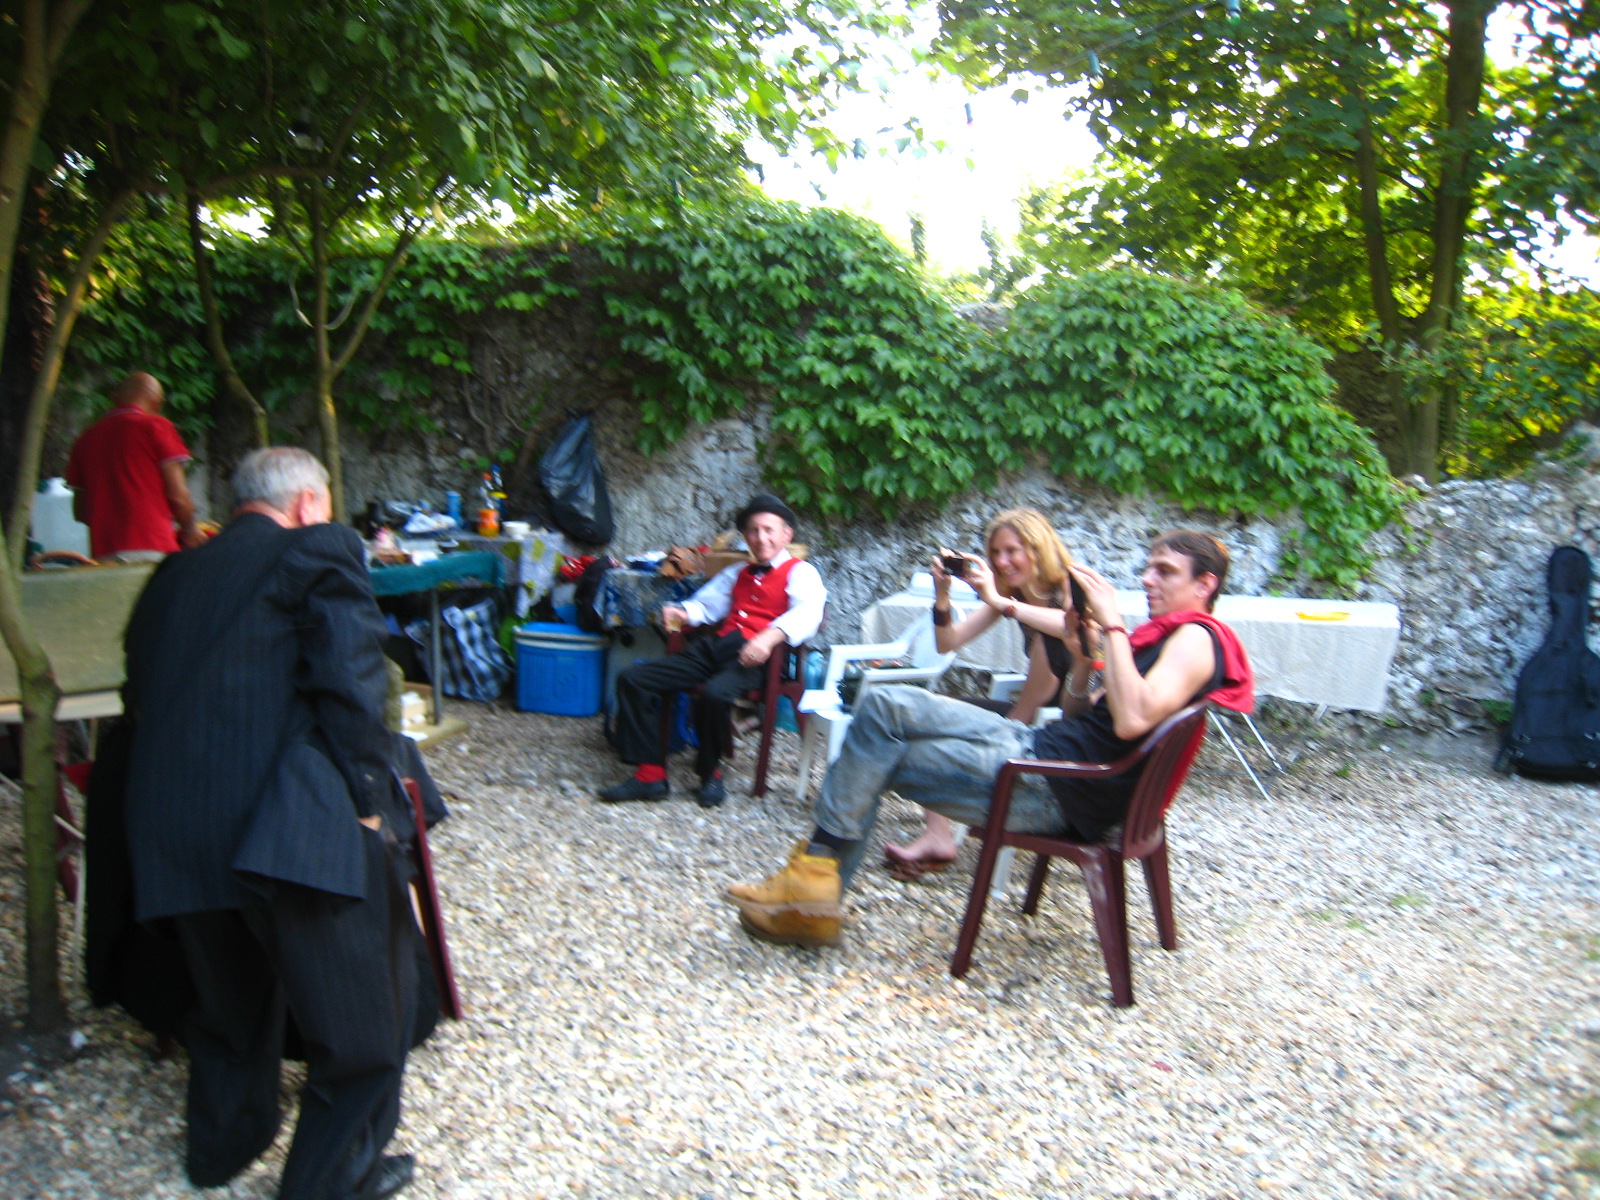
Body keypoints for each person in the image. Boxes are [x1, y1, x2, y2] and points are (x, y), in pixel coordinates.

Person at [120, 447, 432, 1200]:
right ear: (306, 504)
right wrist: (368, 802)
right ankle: (332, 1180)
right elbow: (352, 684)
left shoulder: (172, 573)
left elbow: (142, 691)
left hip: (168, 825)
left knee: (228, 1011)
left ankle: (221, 1150)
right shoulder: (318, 547)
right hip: (282, 828)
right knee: (363, 1025)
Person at [725, 530, 1254, 948]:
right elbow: (1081, 710)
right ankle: (814, 888)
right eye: (1150, 566)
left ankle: (814, 887)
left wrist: (1112, 624)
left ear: (1205, 585)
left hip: (1053, 785)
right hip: (1044, 752)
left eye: (1165, 571)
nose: (1147, 578)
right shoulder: (1163, 638)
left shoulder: (1196, 638)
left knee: (874, 754)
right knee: (883, 706)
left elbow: (1132, 721)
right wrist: (1081, 658)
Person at [599, 492, 827, 808]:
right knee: (634, 679)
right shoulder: (738, 572)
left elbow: (809, 613)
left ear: (786, 534)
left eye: (769, 530)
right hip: (717, 647)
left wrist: (768, 638)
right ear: (745, 537)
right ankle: (650, 775)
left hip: (757, 658)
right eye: (753, 531)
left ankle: (710, 772)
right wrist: (682, 612)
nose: (761, 538)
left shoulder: (802, 572)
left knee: (715, 694)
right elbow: (706, 605)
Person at [885, 508, 1075, 881]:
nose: (1002, 562)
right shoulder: (1010, 595)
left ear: (1037, 549)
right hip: (1030, 706)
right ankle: (938, 835)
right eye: (996, 553)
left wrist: (1006, 605)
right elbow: (948, 643)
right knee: (929, 715)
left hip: (1061, 719)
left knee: (1044, 645)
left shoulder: (1067, 585)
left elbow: (1074, 627)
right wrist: (942, 597)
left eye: (1013, 551)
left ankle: (958, 818)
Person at [65, 371, 202, 560]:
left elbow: (81, 512)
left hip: (104, 554)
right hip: (153, 547)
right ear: (157, 404)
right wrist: (190, 528)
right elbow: (178, 497)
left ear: (114, 399)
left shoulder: (85, 440)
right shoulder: (157, 426)